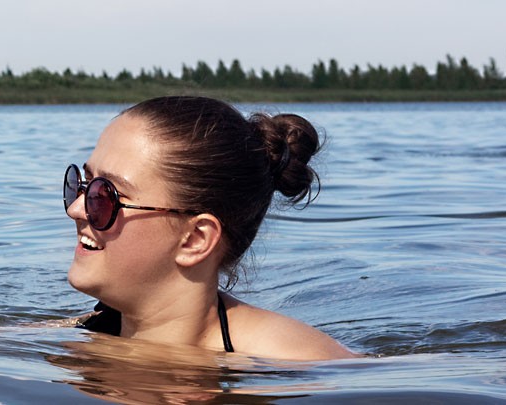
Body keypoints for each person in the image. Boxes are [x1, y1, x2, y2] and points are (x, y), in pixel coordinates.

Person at [64, 96, 355, 361]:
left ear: (195, 239)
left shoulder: (298, 363)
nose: (75, 209)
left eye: (106, 195)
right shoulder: (77, 333)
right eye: (83, 185)